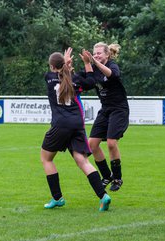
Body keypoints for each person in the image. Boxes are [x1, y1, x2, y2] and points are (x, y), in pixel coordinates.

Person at [41, 47, 111, 211]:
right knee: (83, 161)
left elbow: (58, 73)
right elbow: (92, 81)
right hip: (77, 124)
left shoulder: (49, 77)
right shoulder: (75, 79)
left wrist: (65, 62)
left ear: (52, 66)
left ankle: (57, 198)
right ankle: (103, 195)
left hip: (60, 124)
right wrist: (87, 63)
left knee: (46, 159)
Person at [79, 42, 129, 192]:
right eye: (94, 54)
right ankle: (107, 176)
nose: (96, 56)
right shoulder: (93, 68)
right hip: (105, 109)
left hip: (119, 109)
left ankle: (118, 178)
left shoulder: (112, 65)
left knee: (111, 143)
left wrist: (94, 63)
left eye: (99, 53)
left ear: (107, 55)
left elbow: (112, 75)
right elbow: (84, 80)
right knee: (92, 144)